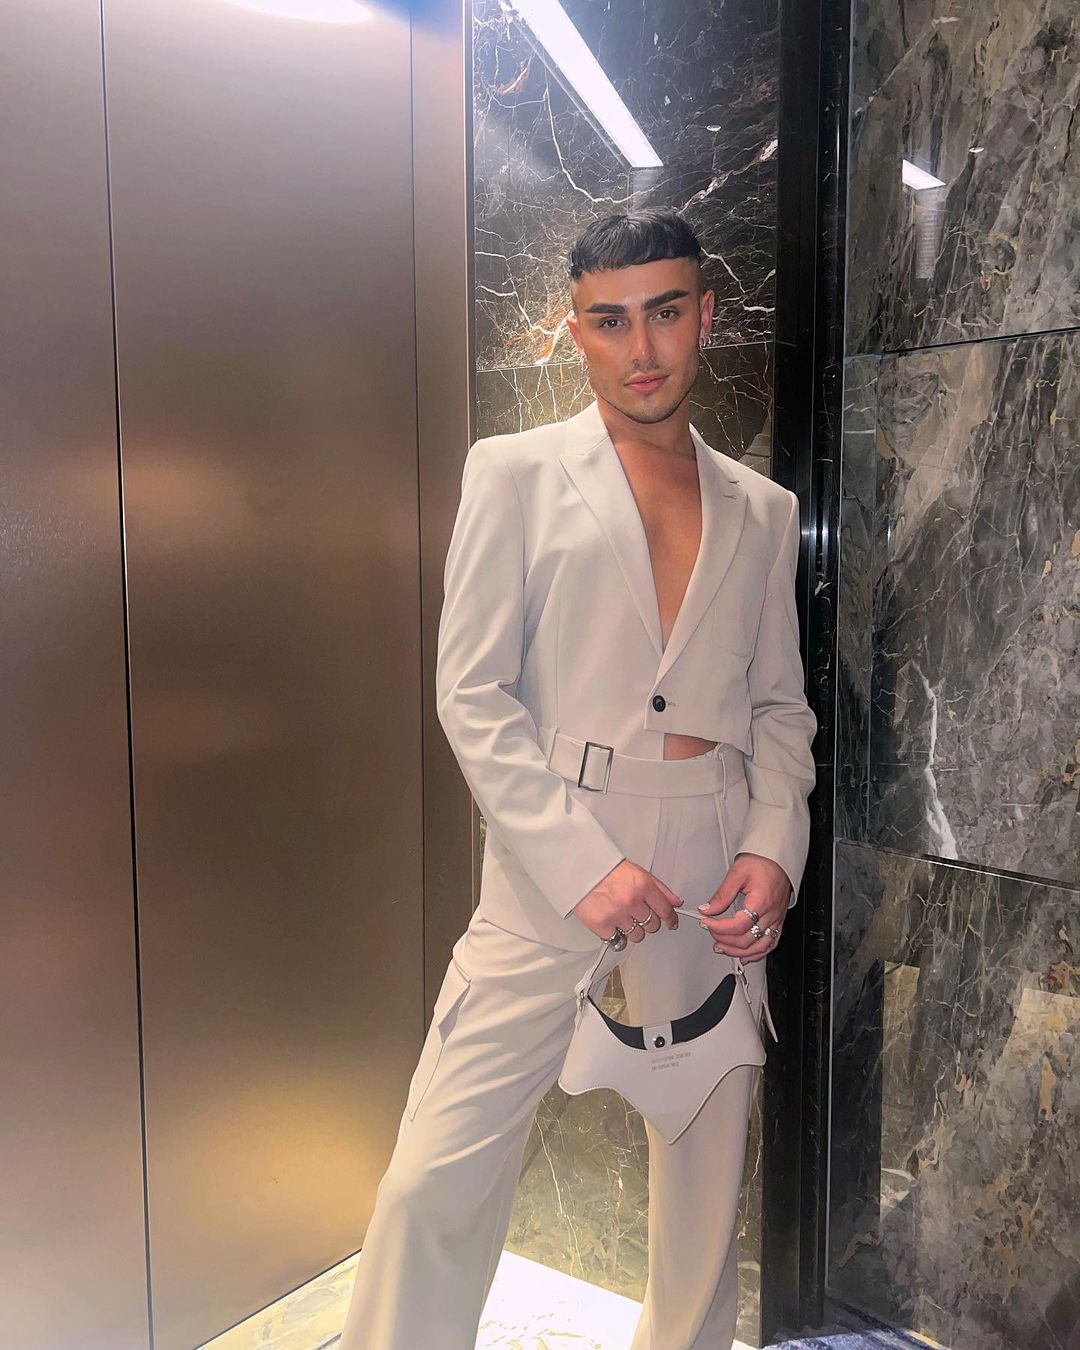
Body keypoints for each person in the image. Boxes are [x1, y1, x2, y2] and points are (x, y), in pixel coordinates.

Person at [336, 208, 817, 1350]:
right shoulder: (513, 474)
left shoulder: (765, 510)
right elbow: (471, 693)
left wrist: (773, 847)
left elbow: (778, 708)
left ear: (706, 315)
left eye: (665, 313)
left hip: (714, 870)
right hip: (554, 855)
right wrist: (584, 865)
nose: (641, 349)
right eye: (610, 321)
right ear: (574, 331)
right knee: (433, 1177)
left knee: (702, 1189)